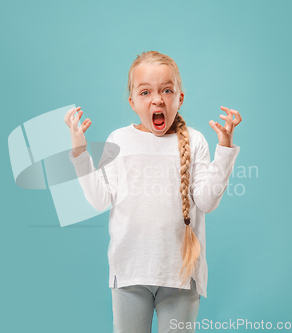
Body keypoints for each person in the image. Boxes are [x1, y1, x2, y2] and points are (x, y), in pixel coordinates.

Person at [64, 51, 242, 333]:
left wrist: (225, 150)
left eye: (166, 90)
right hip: (130, 273)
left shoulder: (194, 142)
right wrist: (79, 152)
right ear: (132, 101)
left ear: (180, 98)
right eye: (145, 92)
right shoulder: (119, 140)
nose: (157, 99)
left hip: (181, 275)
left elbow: (207, 202)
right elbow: (99, 199)